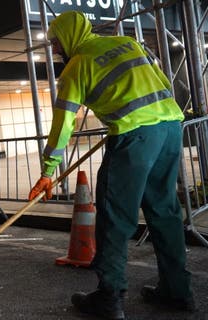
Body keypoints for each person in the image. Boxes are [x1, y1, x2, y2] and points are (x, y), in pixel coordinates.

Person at [29, 11, 195, 319]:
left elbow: (63, 123)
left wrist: (47, 171)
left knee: (115, 216)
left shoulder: (77, 66)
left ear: (68, 36)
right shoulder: (128, 42)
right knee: (164, 211)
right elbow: (162, 83)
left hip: (134, 137)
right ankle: (177, 291)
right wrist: (151, 119)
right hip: (170, 127)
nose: (54, 50)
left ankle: (110, 297)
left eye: (54, 42)